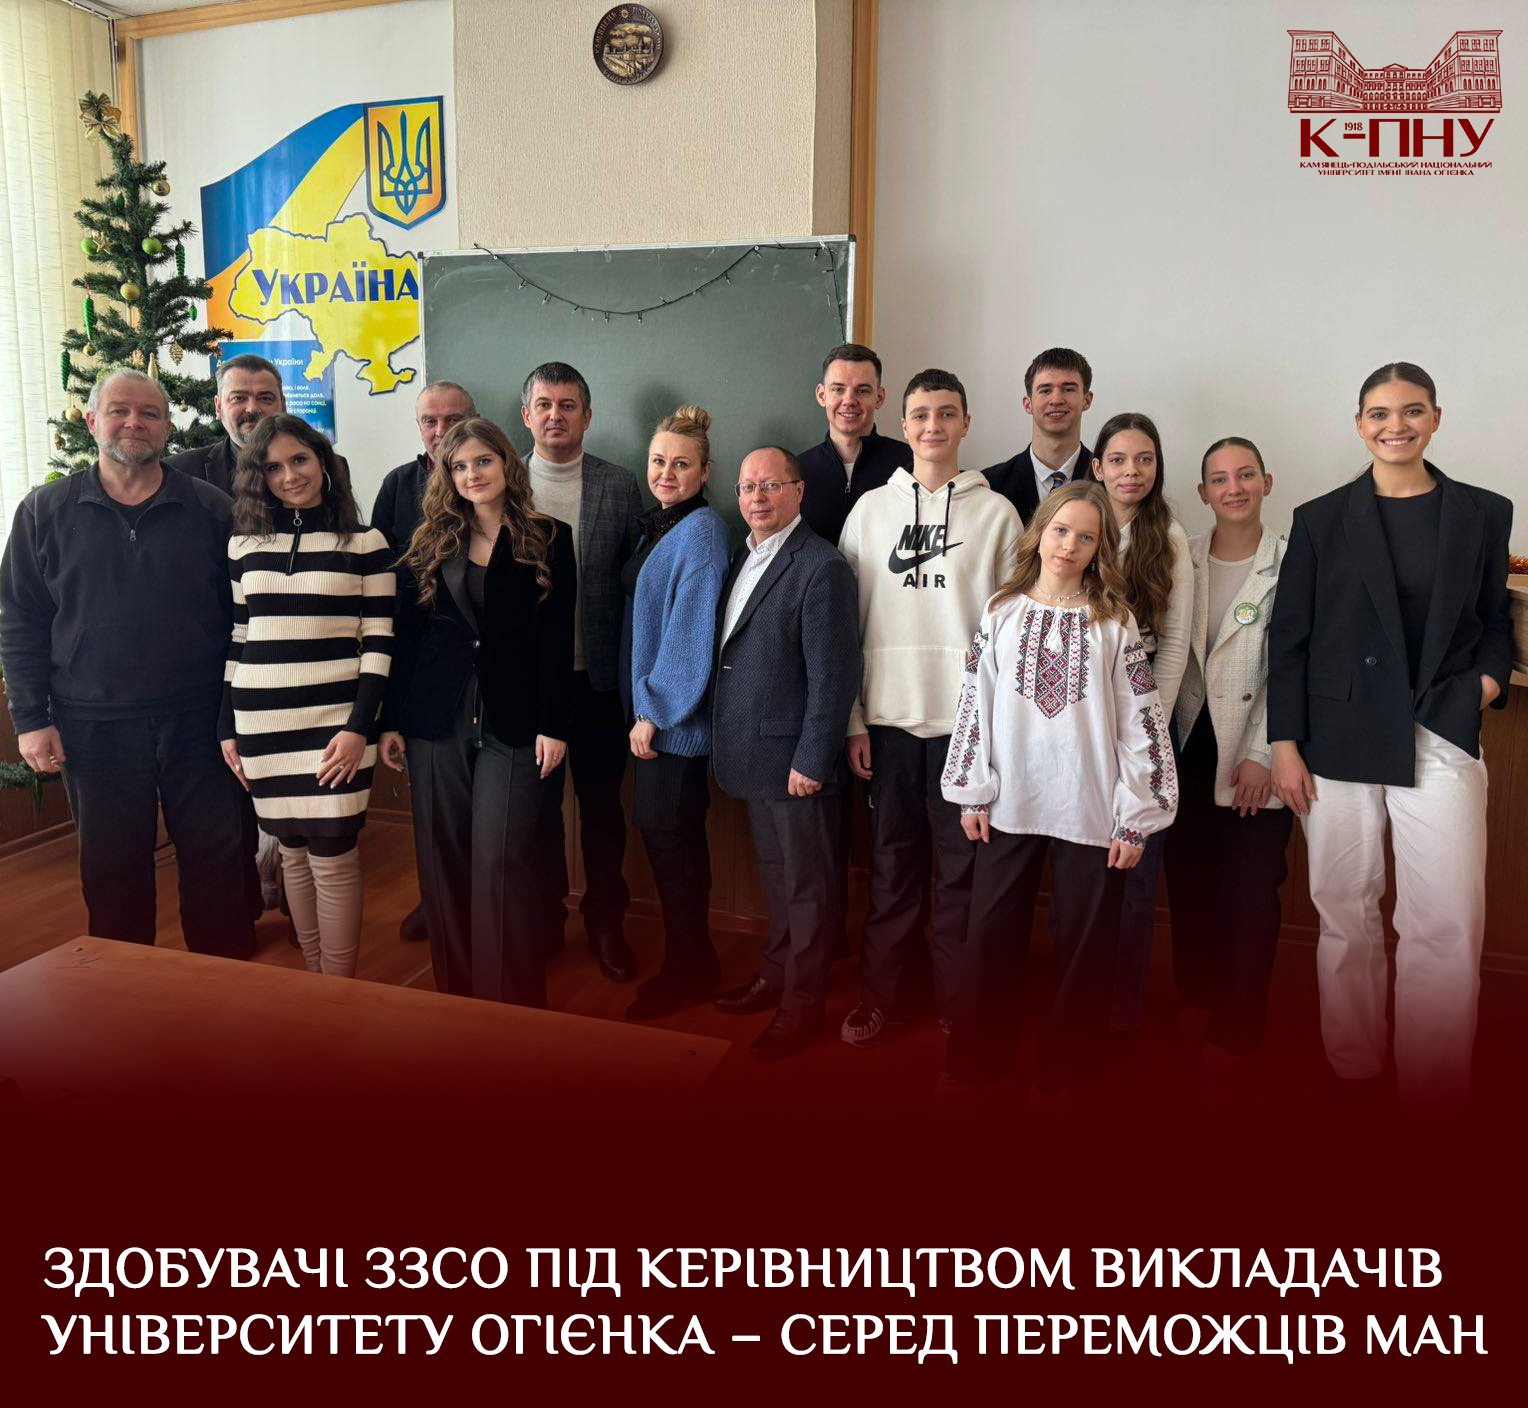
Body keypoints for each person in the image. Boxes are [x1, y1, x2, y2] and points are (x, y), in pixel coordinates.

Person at [1269, 362, 1512, 1114]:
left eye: (1411, 411)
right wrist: (1284, 744)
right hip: (1336, 736)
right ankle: (1354, 1065)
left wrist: (1483, 686)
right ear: (1359, 424)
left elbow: (1494, 621)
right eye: (1379, 413)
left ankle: (1432, 1094)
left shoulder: (1484, 511)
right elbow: (1290, 638)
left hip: (1439, 729)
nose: (1395, 425)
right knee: (1345, 909)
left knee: (1445, 921)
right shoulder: (1319, 518)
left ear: (1436, 418)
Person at [0, 367, 254, 959]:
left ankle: (227, 990)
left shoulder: (212, 509)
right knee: (113, 872)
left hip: (201, 722)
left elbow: (244, 619)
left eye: (149, 413)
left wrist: (239, 715)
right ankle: (121, 991)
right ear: (93, 421)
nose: (133, 423)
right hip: (93, 726)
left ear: (167, 427)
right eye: (119, 411)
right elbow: (20, 620)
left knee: (218, 864)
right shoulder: (43, 512)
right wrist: (30, 719)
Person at [939, 482, 1177, 1099]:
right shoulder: (1001, 610)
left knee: (1086, 945)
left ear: (1101, 548)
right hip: (1009, 799)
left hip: (1090, 802)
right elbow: (975, 703)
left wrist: (1137, 815)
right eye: (1061, 530)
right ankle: (976, 1065)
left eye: (1086, 537)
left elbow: (1141, 721)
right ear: (1039, 532)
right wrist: (972, 789)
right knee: (990, 933)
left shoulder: (1114, 622)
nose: (1069, 545)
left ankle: (1065, 1076)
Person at [837, 369, 1022, 1047]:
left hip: (967, 732)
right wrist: (854, 718)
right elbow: (846, 627)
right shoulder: (869, 511)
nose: (933, 426)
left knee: (961, 879)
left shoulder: (998, 514)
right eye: (921, 414)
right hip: (886, 726)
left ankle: (956, 1003)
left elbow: (1012, 633)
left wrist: (995, 732)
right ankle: (882, 997)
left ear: (967, 423)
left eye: (947, 413)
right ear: (903, 424)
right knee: (891, 871)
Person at [381, 418, 574, 1007]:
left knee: (501, 860)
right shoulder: (430, 540)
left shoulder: (550, 537)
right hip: (434, 717)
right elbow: (408, 637)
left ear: (506, 463)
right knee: (443, 860)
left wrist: (554, 724)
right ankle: (456, 1002)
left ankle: (511, 1008)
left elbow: (556, 640)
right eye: (459, 466)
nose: (472, 475)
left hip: (515, 719)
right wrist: (390, 721)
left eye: (482, 461)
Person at [220, 415, 395, 978]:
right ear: (259, 477)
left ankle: (338, 992)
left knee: (334, 855)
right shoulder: (243, 545)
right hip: (261, 724)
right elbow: (239, 636)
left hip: (338, 725)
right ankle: (313, 984)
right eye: (273, 467)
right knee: (291, 850)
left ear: (323, 461)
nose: (290, 475)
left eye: (299, 460)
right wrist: (227, 729)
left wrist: (359, 727)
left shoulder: (367, 543)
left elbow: (379, 642)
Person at [711, 448, 861, 1060]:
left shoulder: (821, 566)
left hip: (795, 763)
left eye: (771, 486)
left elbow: (834, 676)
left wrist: (812, 759)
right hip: (754, 755)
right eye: (748, 487)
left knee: (808, 889)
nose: (757, 497)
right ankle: (775, 976)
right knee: (778, 880)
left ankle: (802, 1005)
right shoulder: (743, 556)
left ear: (798, 491)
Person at [1163, 437, 1291, 1072]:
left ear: (1267, 482)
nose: (1233, 488)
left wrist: (1264, 752)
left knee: (1250, 889)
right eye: (1219, 479)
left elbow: (1294, 667)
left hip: (1256, 747)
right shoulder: (1180, 557)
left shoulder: (1293, 563)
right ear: (1203, 492)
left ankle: (1239, 1022)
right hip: (1187, 741)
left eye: (1245, 475)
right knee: (1189, 879)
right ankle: (1198, 994)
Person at [521, 362, 644, 983]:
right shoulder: (503, 481)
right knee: (537, 814)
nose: (555, 415)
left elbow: (637, 587)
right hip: (531, 686)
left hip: (598, 681)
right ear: (526, 415)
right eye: (544, 404)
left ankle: (605, 925)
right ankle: (545, 921)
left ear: (587, 417)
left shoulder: (619, 486)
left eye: (568, 405)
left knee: (601, 811)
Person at [620, 404, 732, 1021]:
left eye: (681, 464)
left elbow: (691, 633)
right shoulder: (664, 525)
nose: (667, 473)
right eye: (659, 460)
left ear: (705, 471)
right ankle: (696, 962)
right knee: (671, 843)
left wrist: (654, 711)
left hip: (673, 725)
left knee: (674, 846)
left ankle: (686, 967)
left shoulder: (702, 530)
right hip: (653, 720)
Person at [1088, 411, 1193, 1043]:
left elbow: (1175, 643)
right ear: (1097, 467)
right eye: (1120, 459)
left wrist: (1149, 729)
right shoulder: (1077, 523)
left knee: (1134, 876)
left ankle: (1121, 1014)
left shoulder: (1168, 534)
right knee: (1084, 869)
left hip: (1145, 722)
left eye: (1145, 459)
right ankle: (1077, 1000)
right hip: (1079, 720)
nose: (1133, 471)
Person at [371, 380, 477, 944]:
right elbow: (383, 593)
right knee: (434, 815)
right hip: (422, 674)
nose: (441, 432)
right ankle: (438, 904)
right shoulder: (398, 486)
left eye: (453, 419)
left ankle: (495, 913)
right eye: (429, 422)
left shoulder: (491, 480)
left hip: (486, 676)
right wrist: (390, 711)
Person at [798, 342, 913, 545]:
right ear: (822, 395)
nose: (849, 400)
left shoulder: (910, 464)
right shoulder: (797, 472)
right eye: (838, 389)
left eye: (862, 390)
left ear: (879, 397)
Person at [984, 347, 1096, 524]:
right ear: (1028, 404)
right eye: (1045, 390)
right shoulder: (990, 485)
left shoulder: (1109, 482)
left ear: (1087, 400)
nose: (1056, 400)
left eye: (1068, 389)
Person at [166, 352, 285, 496]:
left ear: (283, 405)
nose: (252, 408)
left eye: (265, 398)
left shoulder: (310, 469)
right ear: (218, 407)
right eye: (238, 398)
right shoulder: (177, 473)